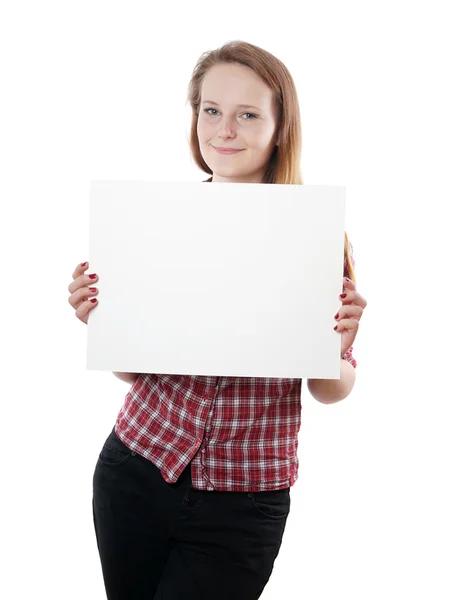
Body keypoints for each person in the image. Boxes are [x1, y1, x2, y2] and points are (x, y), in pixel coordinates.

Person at [68, 40, 367, 600]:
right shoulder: (156, 227)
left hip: (244, 499)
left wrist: (337, 345)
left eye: (247, 114)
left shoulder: (318, 237)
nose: (224, 129)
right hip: (136, 467)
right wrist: (106, 326)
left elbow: (331, 388)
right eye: (211, 110)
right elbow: (136, 377)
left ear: (280, 128)